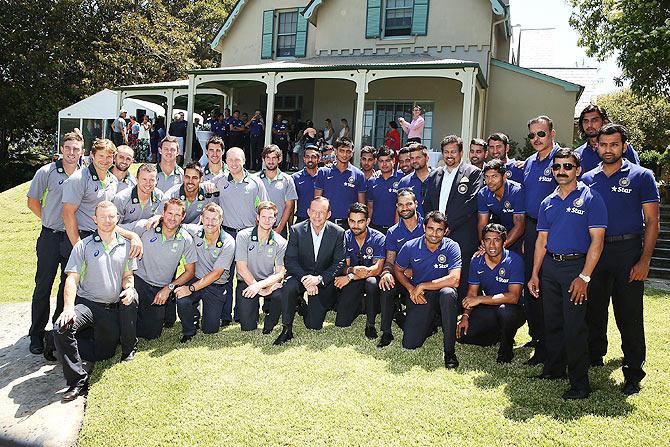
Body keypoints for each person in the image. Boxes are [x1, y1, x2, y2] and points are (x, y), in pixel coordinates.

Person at [581, 123, 659, 395]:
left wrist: (644, 261)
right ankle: (594, 356)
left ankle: (633, 372)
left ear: (624, 146)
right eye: (604, 144)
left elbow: (652, 221)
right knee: (594, 310)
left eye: (614, 144)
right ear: (597, 146)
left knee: (629, 315)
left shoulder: (642, 176)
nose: (608, 149)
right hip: (596, 253)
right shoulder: (588, 178)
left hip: (628, 252)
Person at [528, 148, 607, 400]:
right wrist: (535, 274)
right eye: (558, 167)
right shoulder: (547, 202)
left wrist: (584, 277)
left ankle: (580, 384)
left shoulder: (592, 198)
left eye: (568, 166)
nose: (562, 171)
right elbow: (541, 241)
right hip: (550, 268)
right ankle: (554, 369)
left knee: (575, 327)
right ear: (552, 171)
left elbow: (598, 242)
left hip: (576, 268)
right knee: (552, 322)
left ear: (578, 170)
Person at [52, 201, 139, 402]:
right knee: (62, 327)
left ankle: (53, 342)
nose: (108, 221)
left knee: (104, 354)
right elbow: (72, 279)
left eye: (112, 217)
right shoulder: (83, 245)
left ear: (117, 219)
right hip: (86, 304)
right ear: (95, 219)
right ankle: (77, 382)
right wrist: (67, 309)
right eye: (103, 217)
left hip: (110, 309)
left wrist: (129, 288)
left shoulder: (125, 246)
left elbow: (128, 275)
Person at [26, 130, 84, 355]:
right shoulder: (47, 172)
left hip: (71, 238)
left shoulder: (85, 174)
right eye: (68, 148)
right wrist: (49, 219)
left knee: (66, 285)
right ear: (61, 149)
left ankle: (56, 330)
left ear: (82, 152)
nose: (72, 152)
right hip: (50, 236)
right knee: (43, 285)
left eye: (76, 149)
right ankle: (36, 333)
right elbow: (32, 202)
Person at [205, 147, 269, 325]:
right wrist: (207, 186)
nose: (233, 163)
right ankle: (224, 316)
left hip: (247, 235)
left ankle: (242, 313)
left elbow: (264, 208)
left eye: (237, 160)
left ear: (244, 160)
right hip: (227, 233)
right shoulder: (220, 180)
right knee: (225, 275)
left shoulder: (256, 183)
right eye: (230, 160)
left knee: (244, 275)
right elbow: (204, 186)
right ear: (226, 162)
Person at [273, 197, 346, 345]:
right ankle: (287, 328)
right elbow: (290, 260)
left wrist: (318, 279)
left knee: (314, 325)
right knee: (289, 286)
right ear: (308, 212)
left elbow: (339, 263)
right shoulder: (296, 230)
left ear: (329, 214)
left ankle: (301, 304)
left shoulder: (338, 233)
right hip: (301, 275)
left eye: (322, 212)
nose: (317, 216)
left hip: (322, 280)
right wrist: (306, 279)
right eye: (314, 211)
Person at [394, 211, 462, 368]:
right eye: (431, 228)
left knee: (448, 293)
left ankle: (449, 352)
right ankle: (425, 321)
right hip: (421, 296)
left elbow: (454, 279)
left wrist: (423, 285)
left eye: (439, 230)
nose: (434, 234)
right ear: (424, 227)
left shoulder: (452, 247)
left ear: (446, 231)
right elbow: (398, 270)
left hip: (441, 294)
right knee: (410, 343)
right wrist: (411, 288)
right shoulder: (410, 246)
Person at [124, 199, 197, 340]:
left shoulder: (186, 239)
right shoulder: (146, 226)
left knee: (152, 334)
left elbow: (190, 271)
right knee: (127, 313)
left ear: (183, 217)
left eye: (177, 215)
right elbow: (114, 227)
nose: (172, 218)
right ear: (162, 213)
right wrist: (133, 236)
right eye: (169, 213)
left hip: (160, 288)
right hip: (139, 281)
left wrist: (168, 288)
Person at [424, 135, 483, 299]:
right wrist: (433, 226)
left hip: (462, 234)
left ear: (461, 153)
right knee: (437, 272)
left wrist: (448, 224)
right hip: (436, 235)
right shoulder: (434, 174)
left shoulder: (473, 173)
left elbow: (472, 202)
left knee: (461, 276)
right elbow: (427, 202)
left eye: (453, 152)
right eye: (446, 152)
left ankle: (460, 313)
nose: (449, 155)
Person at [456, 224, 525, 363]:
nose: (492, 244)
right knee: (462, 336)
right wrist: (465, 316)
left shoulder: (514, 260)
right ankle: (498, 335)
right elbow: (471, 293)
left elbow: (513, 297)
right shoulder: (476, 260)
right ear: (482, 242)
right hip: (490, 308)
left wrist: (480, 299)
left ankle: (506, 350)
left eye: (497, 240)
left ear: (504, 242)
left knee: (505, 312)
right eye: (488, 240)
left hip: (513, 310)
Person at [521, 115, 559, 364]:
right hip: (531, 229)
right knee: (530, 284)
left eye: (541, 134)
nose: (536, 139)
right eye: (532, 135)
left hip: (555, 232)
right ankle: (536, 338)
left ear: (552, 134)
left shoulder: (561, 162)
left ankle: (551, 343)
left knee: (549, 289)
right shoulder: (529, 162)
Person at [175, 203, 236, 342]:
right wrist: (155, 219)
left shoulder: (228, 242)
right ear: (201, 218)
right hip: (196, 278)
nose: (210, 223)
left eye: (214, 219)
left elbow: (216, 274)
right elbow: (174, 223)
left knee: (210, 329)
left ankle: (205, 315)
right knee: (182, 297)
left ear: (221, 220)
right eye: (207, 218)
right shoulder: (194, 231)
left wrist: (190, 288)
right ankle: (189, 330)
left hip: (216, 285)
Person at [377, 190, 425, 347]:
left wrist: (415, 271)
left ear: (416, 204)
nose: (405, 208)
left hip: (423, 280)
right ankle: (386, 332)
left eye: (409, 204)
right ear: (397, 207)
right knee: (386, 285)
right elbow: (390, 261)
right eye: (401, 205)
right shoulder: (393, 232)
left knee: (415, 325)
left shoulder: (427, 227)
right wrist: (385, 273)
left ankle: (406, 316)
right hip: (401, 276)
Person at [234, 201, 288, 333]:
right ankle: (249, 310)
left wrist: (261, 287)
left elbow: (280, 273)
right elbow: (241, 268)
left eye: (271, 217)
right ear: (257, 217)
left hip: (268, 283)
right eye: (263, 216)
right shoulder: (243, 236)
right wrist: (256, 287)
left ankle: (270, 320)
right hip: (247, 282)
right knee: (247, 327)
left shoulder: (281, 242)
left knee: (279, 293)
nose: (267, 220)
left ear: (275, 219)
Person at [333, 203, 385, 337]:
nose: (356, 225)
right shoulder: (344, 237)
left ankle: (370, 324)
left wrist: (351, 276)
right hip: (353, 279)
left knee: (372, 283)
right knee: (341, 322)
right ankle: (360, 305)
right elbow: (343, 267)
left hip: (370, 278)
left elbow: (377, 269)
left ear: (367, 221)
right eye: (352, 221)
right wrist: (352, 270)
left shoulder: (379, 238)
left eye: (360, 221)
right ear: (348, 220)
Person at [62, 139, 119, 246]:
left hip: (103, 238)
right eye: (101, 156)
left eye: (109, 157)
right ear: (92, 155)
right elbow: (67, 213)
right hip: (79, 237)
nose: (105, 160)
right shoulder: (79, 179)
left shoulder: (113, 180)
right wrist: (78, 246)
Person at [314, 137, 366, 229]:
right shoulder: (323, 172)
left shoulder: (359, 175)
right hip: (327, 224)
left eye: (348, 151)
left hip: (349, 225)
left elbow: (361, 205)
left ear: (352, 152)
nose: (345, 155)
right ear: (335, 151)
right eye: (342, 151)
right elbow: (317, 201)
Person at [476, 159, 525, 253]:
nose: (490, 181)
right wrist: (484, 244)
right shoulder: (483, 193)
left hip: (519, 234)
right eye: (486, 177)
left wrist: (498, 247)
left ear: (504, 177)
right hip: (500, 232)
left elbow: (519, 225)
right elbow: (482, 224)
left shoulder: (517, 191)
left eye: (494, 176)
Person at [575, 104, 640, 173]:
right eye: (585, 121)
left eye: (594, 120)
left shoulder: (622, 148)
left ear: (604, 122)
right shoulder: (578, 154)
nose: (589, 125)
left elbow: (637, 175)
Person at [257, 145, 298, 237]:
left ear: (279, 159)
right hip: (257, 228)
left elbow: (289, 206)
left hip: (279, 229)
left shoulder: (287, 180)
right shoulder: (255, 179)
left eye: (274, 158)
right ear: (263, 159)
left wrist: (279, 228)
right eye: (268, 158)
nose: (271, 161)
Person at [366, 147, 404, 233]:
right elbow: (370, 207)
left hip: (395, 228)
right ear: (377, 163)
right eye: (381, 161)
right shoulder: (372, 181)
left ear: (393, 161)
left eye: (387, 160)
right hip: (375, 228)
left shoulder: (402, 179)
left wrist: (396, 229)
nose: (384, 164)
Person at [397, 144, 431, 216]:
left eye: (418, 157)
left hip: (433, 226)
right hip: (411, 226)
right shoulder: (404, 182)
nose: (414, 161)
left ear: (427, 158)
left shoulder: (437, 178)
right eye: (412, 158)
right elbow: (399, 209)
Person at [292, 144, 322, 223]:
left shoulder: (324, 176)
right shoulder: (295, 178)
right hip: (301, 220)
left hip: (320, 220)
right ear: (304, 159)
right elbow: (290, 203)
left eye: (313, 157)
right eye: (307, 157)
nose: (310, 159)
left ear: (319, 159)